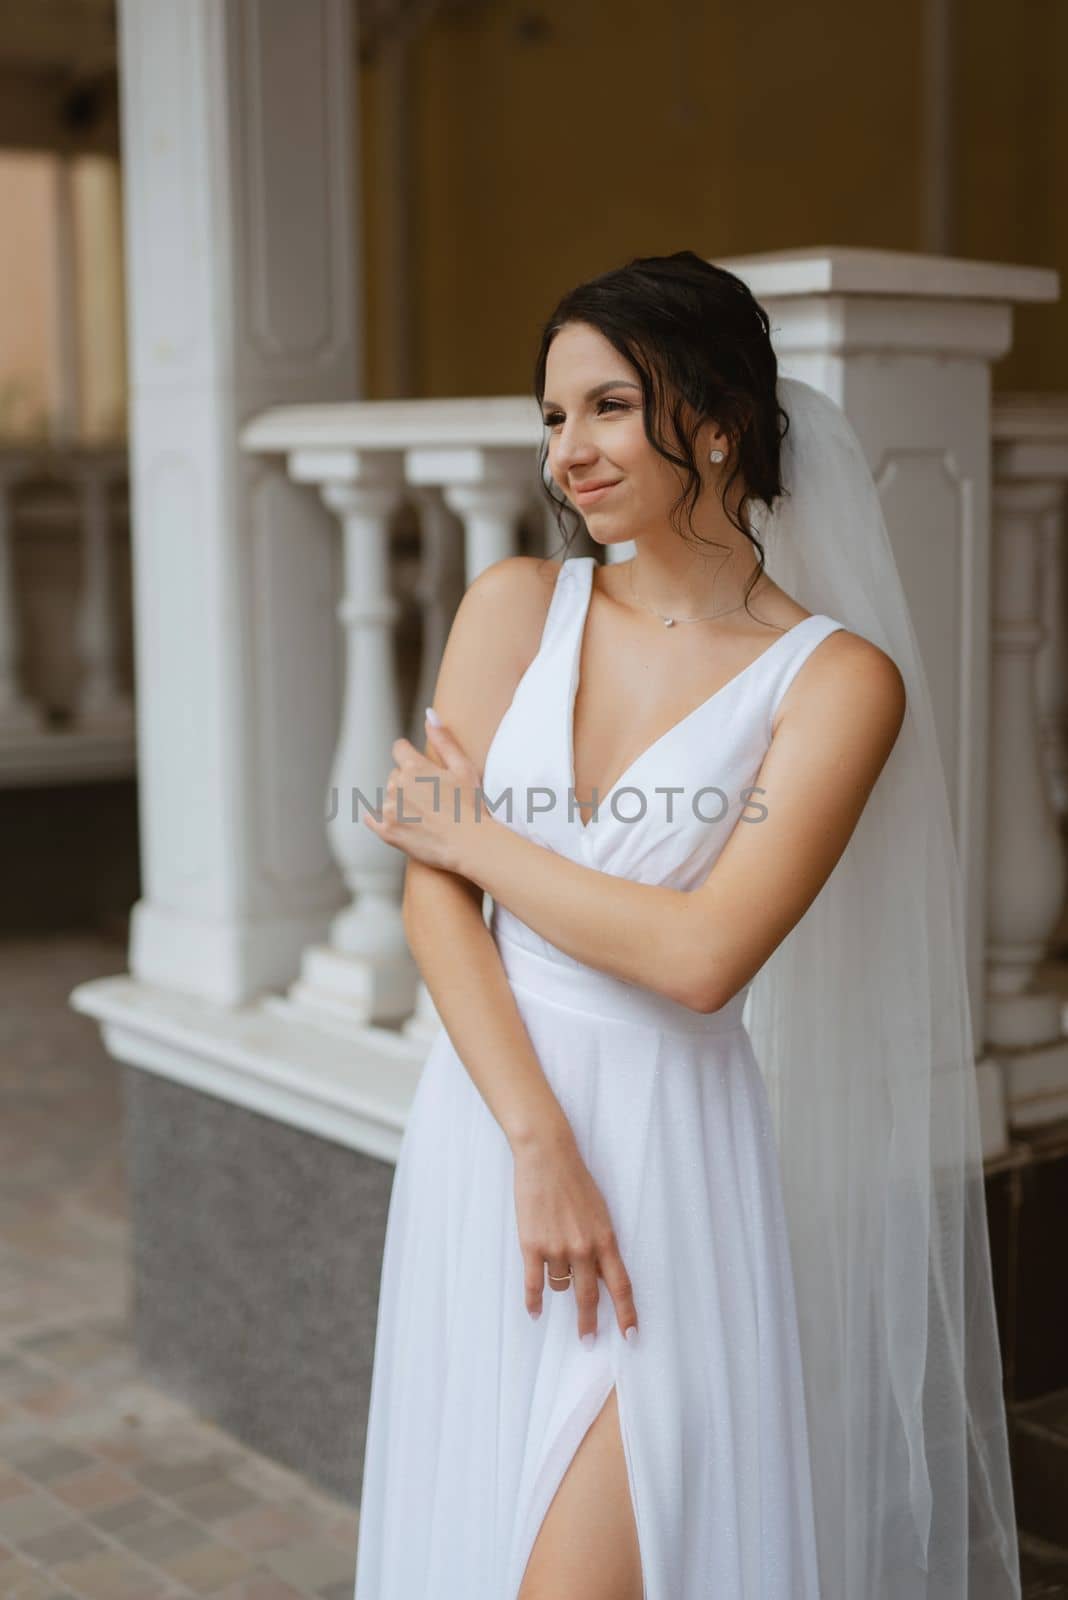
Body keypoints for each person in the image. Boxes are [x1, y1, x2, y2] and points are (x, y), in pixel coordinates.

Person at [353, 251, 1021, 1599]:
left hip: (668, 1155)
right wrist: (535, 1141)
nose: (569, 453)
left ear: (712, 419)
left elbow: (705, 956)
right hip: (492, 1127)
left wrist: (473, 834)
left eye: (607, 407)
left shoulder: (835, 681)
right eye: (552, 418)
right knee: (473, 1532)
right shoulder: (513, 606)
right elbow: (439, 915)